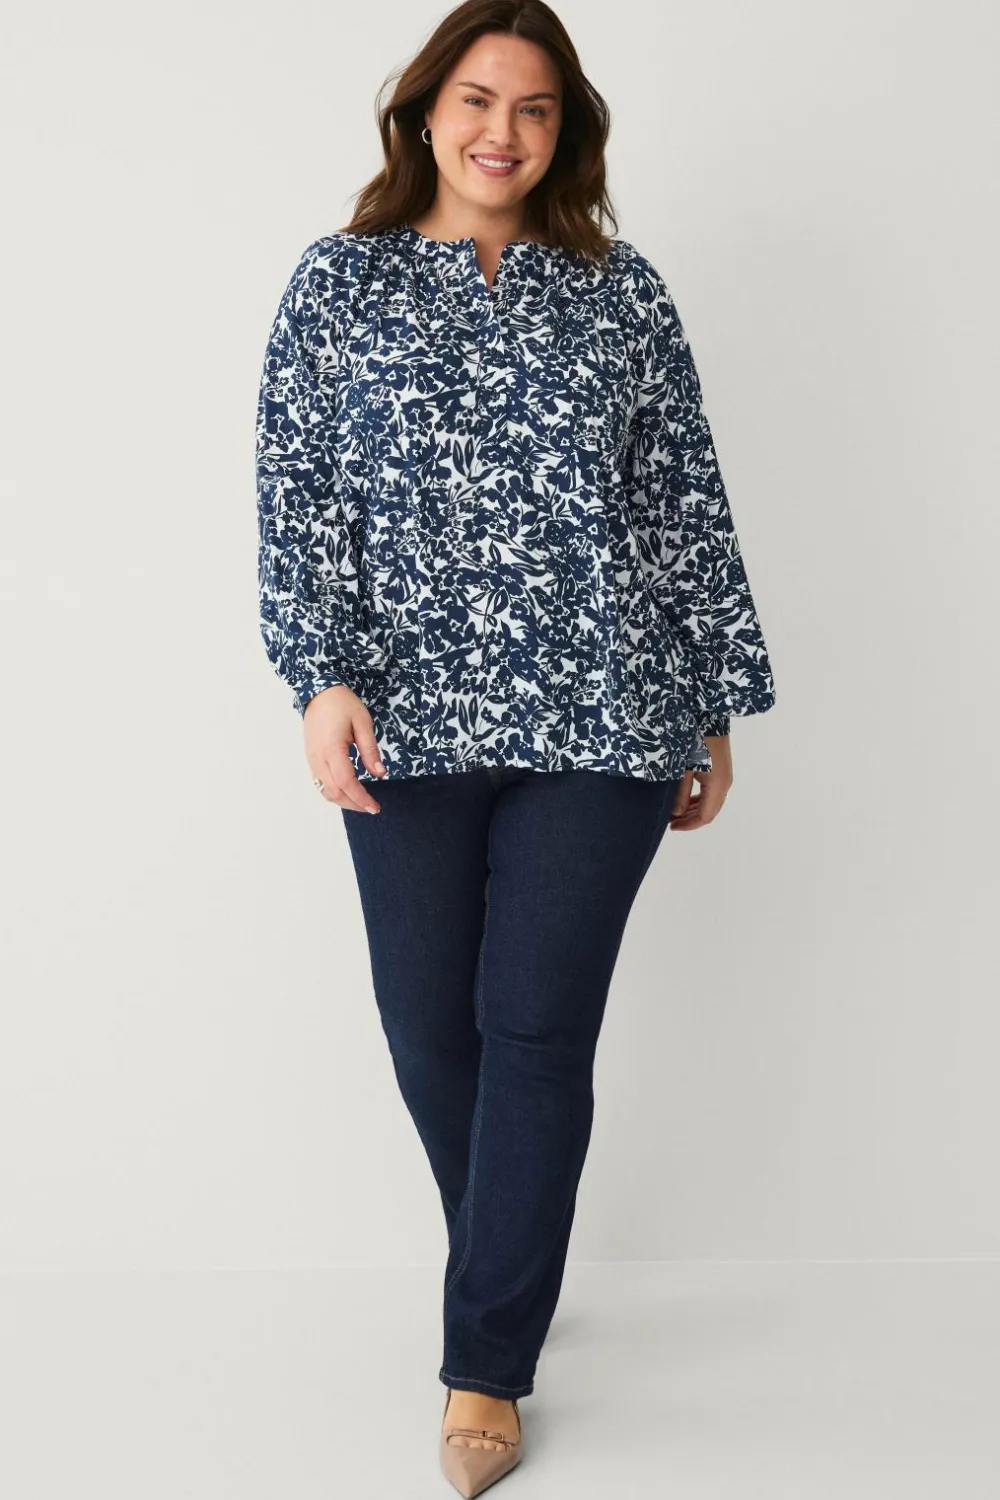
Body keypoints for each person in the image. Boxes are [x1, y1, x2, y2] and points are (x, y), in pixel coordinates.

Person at [255, 2, 776, 1493]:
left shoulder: (621, 292)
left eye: (536, 108)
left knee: (536, 1032)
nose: (503, 131)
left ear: (566, 132)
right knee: (432, 1031)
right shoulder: (339, 284)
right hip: (405, 718)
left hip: (606, 714)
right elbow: (298, 490)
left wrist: (710, 705)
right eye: (479, 99)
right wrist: (318, 677)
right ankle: (507, 1246)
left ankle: (485, 1363)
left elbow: (681, 502)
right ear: (425, 111)